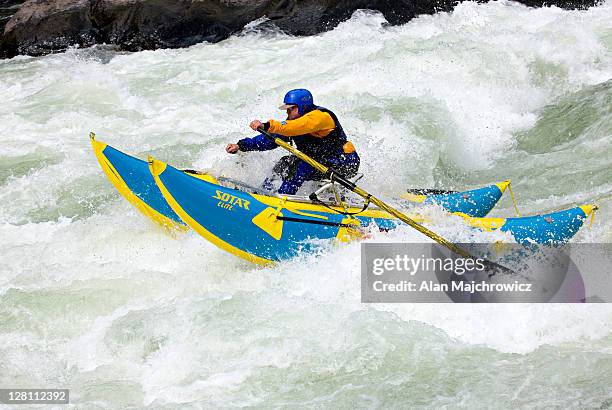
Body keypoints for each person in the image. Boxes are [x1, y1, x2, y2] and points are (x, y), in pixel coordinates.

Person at [225, 89, 360, 195]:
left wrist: (266, 125)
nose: (288, 112)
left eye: (291, 108)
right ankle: (263, 194)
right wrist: (241, 145)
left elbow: (297, 126)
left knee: (301, 164)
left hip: (344, 162)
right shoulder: (292, 124)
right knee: (285, 163)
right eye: (287, 109)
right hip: (319, 162)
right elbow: (269, 140)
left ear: (303, 106)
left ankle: (282, 199)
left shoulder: (320, 117)